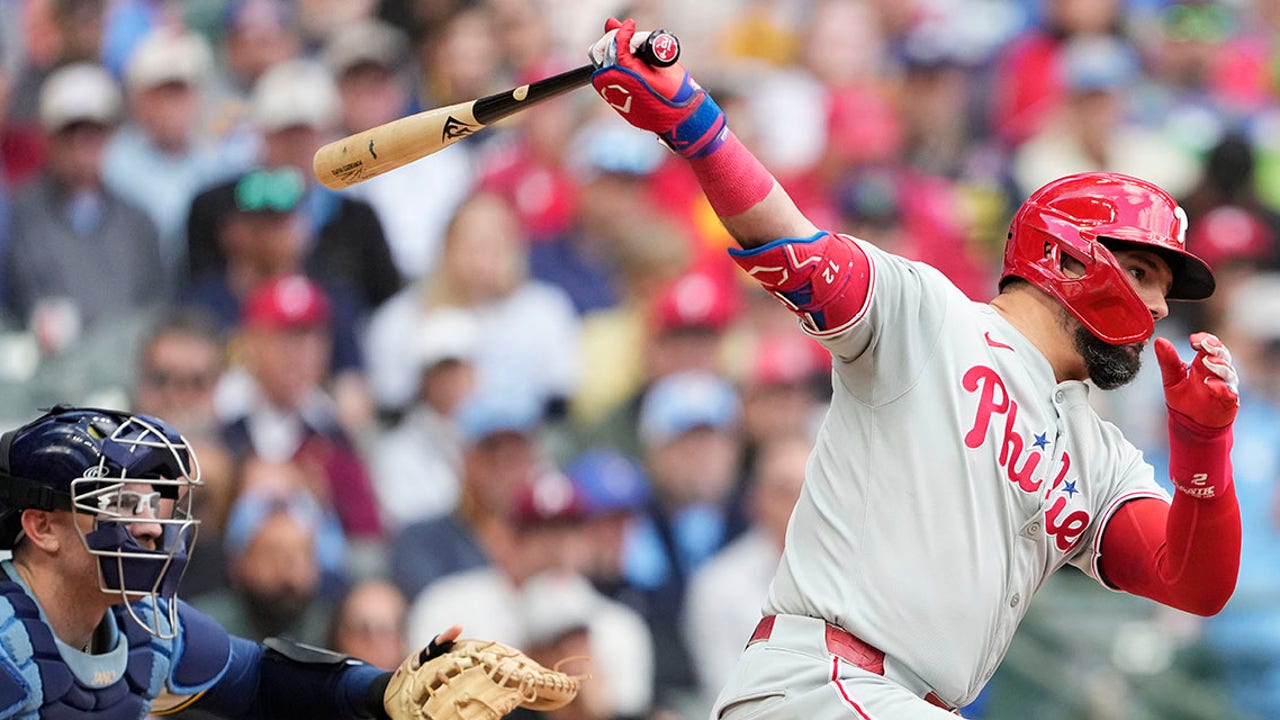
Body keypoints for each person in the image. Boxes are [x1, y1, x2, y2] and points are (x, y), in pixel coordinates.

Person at [589, 18, 1241, 718]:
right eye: (1141, 272)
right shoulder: (929, 316)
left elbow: (1194, 584)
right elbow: (791, 247)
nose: (1158, 306)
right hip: (824, 683)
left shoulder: (1098, 453)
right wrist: (695, 122)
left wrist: (1203, 444)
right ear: (1066, 259)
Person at [0, 405, 457, 718]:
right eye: (118, 504)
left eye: (150, 505)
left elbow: (260, 680)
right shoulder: (6, 644)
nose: (150, 527)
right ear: (42, 527)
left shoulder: (144, 627)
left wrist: (389, 688)